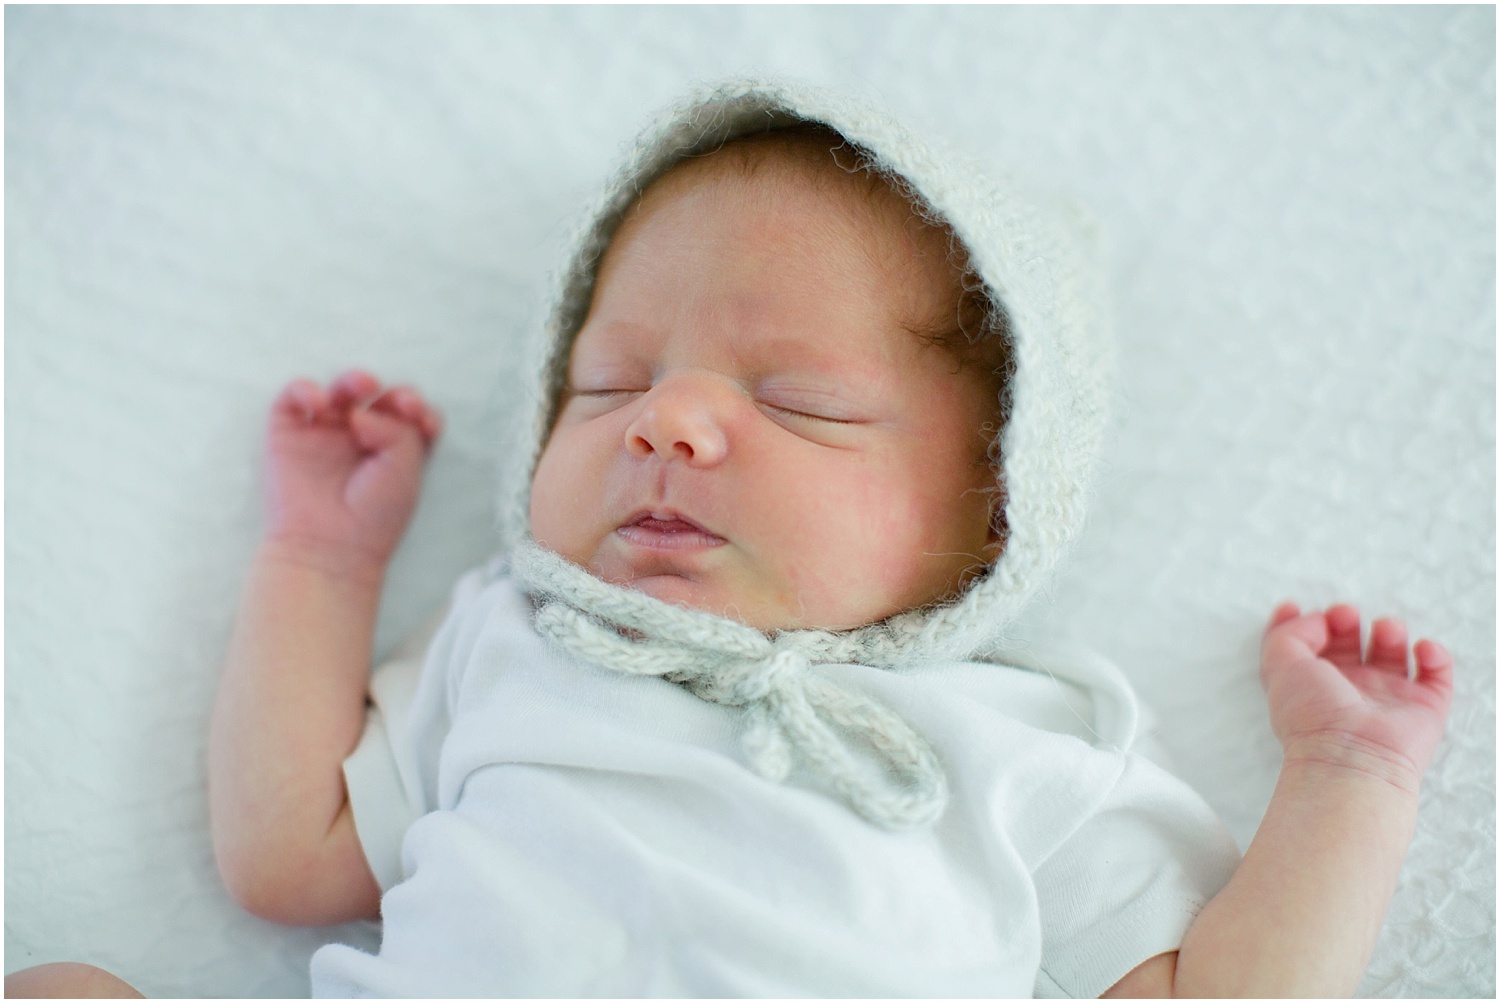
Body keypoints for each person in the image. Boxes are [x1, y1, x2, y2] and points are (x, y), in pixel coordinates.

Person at [6, 81, 1452, 999]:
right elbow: (285, 860)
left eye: (799, 402)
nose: (666, 422)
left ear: (996, 510)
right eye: (611, 384)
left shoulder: (1013, 746)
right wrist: (318, 563)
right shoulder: (513, 641)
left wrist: (1351, 778)